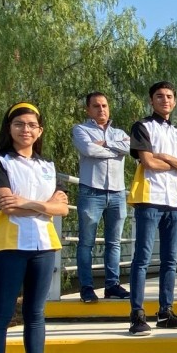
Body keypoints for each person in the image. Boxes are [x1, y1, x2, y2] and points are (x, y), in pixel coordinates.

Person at [0, 102, 69, 353]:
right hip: (8, 245)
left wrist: (30, 204)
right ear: (9, 128)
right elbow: (7, 206)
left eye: (32, 125)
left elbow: (62, 209)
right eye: (19, 124)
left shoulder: (48, 165)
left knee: (35, 313)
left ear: (40, 130)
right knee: (1, 314)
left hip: (43, 244)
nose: (26, 130)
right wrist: (45, 206)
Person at [127, 81, 177, 335]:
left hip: (174, 201)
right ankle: (137, 314)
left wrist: (166, 157)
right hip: (149, 197)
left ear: (174, 101)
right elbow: (148, 162)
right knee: (142, 259)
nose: (164, 100)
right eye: (159, 96)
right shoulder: (142, 127)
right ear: (151, 100)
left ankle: (166, 312)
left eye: (169, 96)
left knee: (170, 260)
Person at [72, 92, 131, 303]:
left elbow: (130, 147)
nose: (101, 110)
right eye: (96, 106)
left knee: (114, 243)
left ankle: (112, 285)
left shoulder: (119, 132)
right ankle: (87, 287)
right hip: (91, 191)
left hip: (117, 193)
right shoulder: (80, 129)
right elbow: (89, 150)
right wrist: (115, 149)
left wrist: (104, 144)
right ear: (88, 110)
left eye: (104, 105)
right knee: (86, 243)